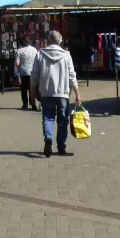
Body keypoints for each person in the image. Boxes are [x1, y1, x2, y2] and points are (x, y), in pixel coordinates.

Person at [31, 30, 81, 158]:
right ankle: (61, 147)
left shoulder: (40, 54)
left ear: (48, 40)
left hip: (46, 92)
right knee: (62, 121)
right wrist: (77, 93)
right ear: (60, 41)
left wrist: (32, 90)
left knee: (48, 118)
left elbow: (34, 75)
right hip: (63, 93)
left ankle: (48, 138)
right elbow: (72, 76)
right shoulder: (66, 55)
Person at [14, 37, 39, 111]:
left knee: (23, 89)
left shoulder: (19, 51)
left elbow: (17, 63)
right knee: (32, 88)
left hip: (23, 72)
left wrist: (16, 74)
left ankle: (25, 104)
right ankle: (33, 103)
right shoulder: (34, 50)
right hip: (33, 72)